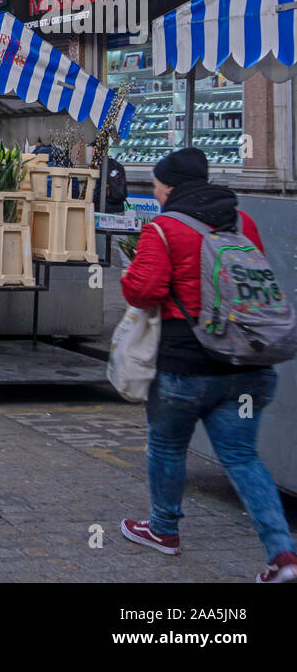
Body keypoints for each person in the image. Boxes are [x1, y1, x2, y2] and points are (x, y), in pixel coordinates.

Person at [119, 147, 297, 583]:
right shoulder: (241, 220)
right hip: (245, 363)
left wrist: (129, 273)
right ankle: (282, 555)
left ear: (171, 186)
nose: (155, 190)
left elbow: (143, 291)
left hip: (186, 368)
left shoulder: (164, 228)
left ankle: (163, 530)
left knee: (166, 445)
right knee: (241, 455)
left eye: (158, 183)